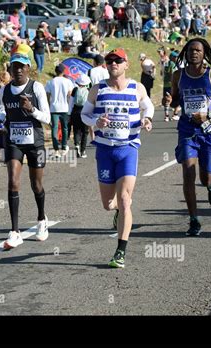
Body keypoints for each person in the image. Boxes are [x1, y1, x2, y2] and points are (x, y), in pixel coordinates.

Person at [81, 48, 154, 268]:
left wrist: (147, 119)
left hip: (128, 148)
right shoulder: (97, 89)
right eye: (109, 60)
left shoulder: (137, 88)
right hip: (104, 150)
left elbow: (148, 106)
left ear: (126, 64)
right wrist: (95, 122)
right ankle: (117, 212)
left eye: (118, 60)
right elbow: (84, 115)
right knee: (108, 203)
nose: (113, 63)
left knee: (124, 199)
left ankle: (120, 252)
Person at [164, 38, 211, 236]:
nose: (194, 53)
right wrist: (169, 100)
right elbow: (176, 100)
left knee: (205, 177)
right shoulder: (178, 75)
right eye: (191, 50)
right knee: (188, 173)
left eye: (198, 50)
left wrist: (208, 114)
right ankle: (194, 220)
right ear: (185, 53)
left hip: (210, 131)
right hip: (187, 130)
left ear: (204, 54)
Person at [0, 44, 51, 249]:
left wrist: (32, 109)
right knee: (13, 182)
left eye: (22, 66)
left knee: (36, 185)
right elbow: (1, 112)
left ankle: (41, 220)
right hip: (13, 141)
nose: (18, 70)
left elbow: (48, 119)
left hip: (35, 142)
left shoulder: (36, 88)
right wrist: (1, 122)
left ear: (28, 69)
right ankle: (15, 231)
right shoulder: (4, 90)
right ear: (10, 69)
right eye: (15, 66)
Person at [45, 63, 75, 157]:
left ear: (55, 71)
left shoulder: (50, 82)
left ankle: (56, 148)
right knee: (65, 128)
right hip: (65, 108)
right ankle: (64, 146)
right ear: (63, 71)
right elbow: (69, 95)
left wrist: (48, 105)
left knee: (54, 128)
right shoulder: (68, 82)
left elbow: (48, 95)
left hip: (53, 108)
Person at [69, 74, 91, 158]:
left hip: (75, 111)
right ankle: (83, 151)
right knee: (85, 132)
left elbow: (71, 103)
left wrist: (69, 113)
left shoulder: (75, 90)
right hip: (85, 112)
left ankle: (77, 143)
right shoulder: (89, 90)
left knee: (76, 130)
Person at [162, 50, 180, 122]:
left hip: (166, 84)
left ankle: (166, 116)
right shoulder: (173, 64)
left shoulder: (166, 63)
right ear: (172, 57)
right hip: (172, 85)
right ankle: (175, 115)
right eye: (175, 57)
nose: (176, 58)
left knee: (166, 100)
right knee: (177, 99)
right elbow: (172, 74)